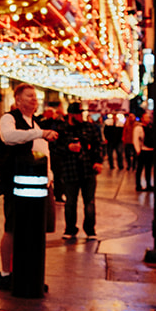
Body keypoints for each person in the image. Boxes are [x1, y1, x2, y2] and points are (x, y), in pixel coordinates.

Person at [0, 82, 59, 290]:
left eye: (35, 97)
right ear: (18, 100)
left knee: (34, 229)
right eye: (29, 96)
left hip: (39, 185)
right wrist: (39, 134)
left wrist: (50, 179)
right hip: (16, 185)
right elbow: (9, 138)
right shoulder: (9, 119)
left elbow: (43, 154)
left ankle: (28, 270)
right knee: (12, 228)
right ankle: (5, 274)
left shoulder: (35, 123)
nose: (34, 100)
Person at [52, 103, 104, 241]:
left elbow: (98, 145)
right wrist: (68, 147)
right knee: (70, 202)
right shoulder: (62, 129)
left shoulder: (89, 127)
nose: (81, 116)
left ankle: (90, 230)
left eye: (81, 114)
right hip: (70, 170)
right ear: (71, 115)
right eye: (78, 114)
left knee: (89, 202)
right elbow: (55, 148)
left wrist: (98, 161)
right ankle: (70, 228)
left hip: (88, 170)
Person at [134, 111, 154, 192]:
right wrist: (138, 150)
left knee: (148, 169)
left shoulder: (150, 127)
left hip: (150, 151)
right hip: (143, 151)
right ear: (142, 119)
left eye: (148, 117)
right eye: (146, 117)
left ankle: (148, 184)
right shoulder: (138, 128)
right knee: (140, 168)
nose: (148, 119)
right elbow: (135, 139)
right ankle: (138, 185)